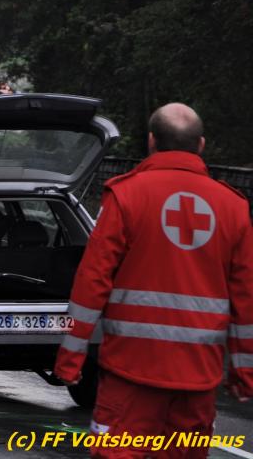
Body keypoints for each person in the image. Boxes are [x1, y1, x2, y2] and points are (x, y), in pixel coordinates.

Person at [54, 103, 252, 457]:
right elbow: (245, 299)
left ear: (150, 141)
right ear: (201, 145)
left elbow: (91, 282)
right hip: (198, 378)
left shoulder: (126, 195)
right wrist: (244, 372)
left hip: (130, 372)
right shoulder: (233, 207)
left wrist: (70, 356)